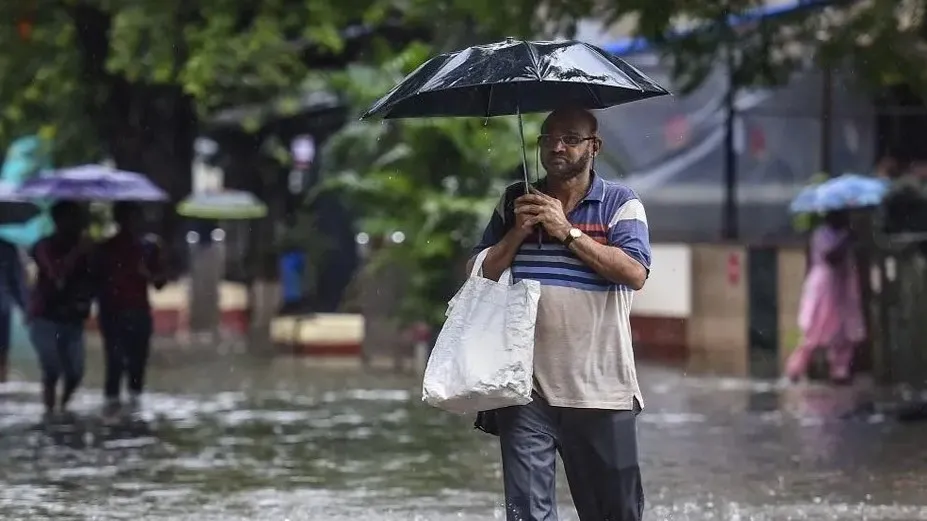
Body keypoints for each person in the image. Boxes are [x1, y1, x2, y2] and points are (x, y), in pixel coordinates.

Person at [470, 107, 651, 521]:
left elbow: (634, 272)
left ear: (594, 146)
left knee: (613, 513)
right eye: (549, 138)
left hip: (601, 391)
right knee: (527, 514)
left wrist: (565, 230)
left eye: (570, 139)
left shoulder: (621, 203)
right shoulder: (515, 201)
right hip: (524, 389)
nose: (557, 147)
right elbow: (478, 274)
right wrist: (517, 232)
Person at [95, 202, 166, 414]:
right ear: (119, 220)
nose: (133, 223)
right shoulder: (105, 248)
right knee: (114, 363)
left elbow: (160, 283)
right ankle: (112, 409)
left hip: (138, 312)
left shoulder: (149, 247)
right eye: (128, 218)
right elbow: (96, 280)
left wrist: (146, 273)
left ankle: (134, 410)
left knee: (138, 365)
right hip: (112, 313)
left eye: (136, 218)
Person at [28, 201, 95, 419]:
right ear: (58, 221)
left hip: (73, 319)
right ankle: (49, 413)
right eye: (72, 218)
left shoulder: (86, 248)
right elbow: (57, 275)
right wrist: (77, 252)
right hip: (45, 318)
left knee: (75, 372)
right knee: (52, 369)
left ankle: (63, 408)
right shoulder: (44, 246)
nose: (77, 223)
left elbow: (95, 279)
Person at [785, 210, 866, 384]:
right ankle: (795, 369)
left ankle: (840, 371)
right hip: (825, 286)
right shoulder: (821, 234)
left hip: (843, 287)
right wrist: (846, 240)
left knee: (843, 333)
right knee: (813, 330)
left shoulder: (844, 234)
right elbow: (830, 257)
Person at [0, 238, 28, 382]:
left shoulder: (8, 250)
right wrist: (27, 308)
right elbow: (17, 283)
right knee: (2, 353)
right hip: (2, 308)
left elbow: (17, 282)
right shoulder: (8, 249)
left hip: (2, 308)